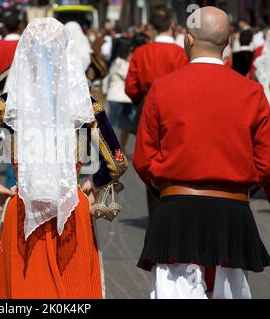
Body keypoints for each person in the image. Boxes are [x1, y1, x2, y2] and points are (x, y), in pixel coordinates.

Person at [0, 18, 128, 299]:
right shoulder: (85, 106)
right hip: (72, 211)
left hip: (23, 209)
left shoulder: (8, 106)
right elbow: (117, 162)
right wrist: (92, 185)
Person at [133, 6, 270, 299]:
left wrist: (167, 184)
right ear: (227, 42)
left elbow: (144, 158)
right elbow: (266, 162)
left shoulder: (162, 89)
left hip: (176, 210)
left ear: (189, 39)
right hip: (232, 212)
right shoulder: (252, 92)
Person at [125, 7, 188, 218]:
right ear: (172, 25)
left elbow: (131, 87)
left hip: (147, 106)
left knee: (149, 160)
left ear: (152, 27)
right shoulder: (181, 53)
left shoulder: (141, 52)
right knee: (178, 159)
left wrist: (140, 102)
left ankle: (156, 213)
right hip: (177, 110)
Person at [105, 38, 135, 148]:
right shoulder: (118, 61)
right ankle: (108, 149)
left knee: (126, 126)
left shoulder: (122, 61)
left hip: (126, 98)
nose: (131, 52)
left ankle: (121, 148)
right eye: (130, 50)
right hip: (116, 98)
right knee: (111, 125)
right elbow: (128, 75)